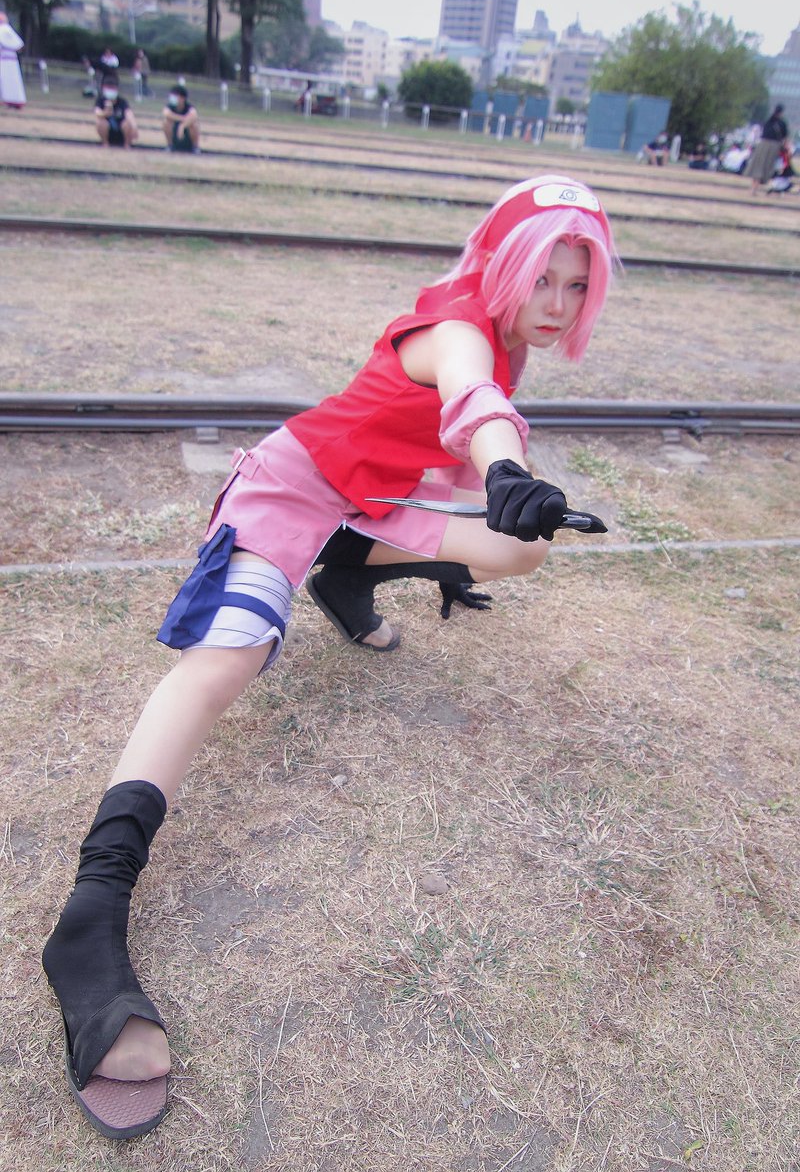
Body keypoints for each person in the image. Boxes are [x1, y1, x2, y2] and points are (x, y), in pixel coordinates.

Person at [41, 175, 618, 1140]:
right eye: (541, 279)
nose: (556, 303)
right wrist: (505, 467)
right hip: (294, 486)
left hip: (366, 501)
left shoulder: (507, 341)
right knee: (223, 666)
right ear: (500, 266)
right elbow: (471, 396)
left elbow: (456, 428)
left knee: (523, 547)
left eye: (576, 285)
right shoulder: (459, 327)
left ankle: (346, 574)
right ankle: (90, 914)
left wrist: (493, 507)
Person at [746, 105, 789, 194]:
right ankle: (755, 188)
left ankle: (754, 188)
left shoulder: (768, 121)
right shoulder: (782, 124)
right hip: (774, 147)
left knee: (758, 166)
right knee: (764, 168)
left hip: (762, 145)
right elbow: (784, 138)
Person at [94, 74, 138, 148]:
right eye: (108, 88)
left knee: (127, 123)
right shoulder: (100, 101)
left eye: (112, 88)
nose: (110, 90)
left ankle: (127, 145)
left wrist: (134, 127)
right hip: (107, 131)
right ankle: (105, 143)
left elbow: (129, 114)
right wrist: (105, 113)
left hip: (121, 131)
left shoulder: (122, 101)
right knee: (100, 122)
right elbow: (97, 113)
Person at [162, 83, 200, 153]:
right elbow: (166, 113)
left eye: (175, 95)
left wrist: (182, 126)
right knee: (166, 122)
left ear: (183, 98)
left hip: (187, 135)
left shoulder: (189, 107)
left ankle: (195, 147)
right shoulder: (170, 106)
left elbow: (194, 116)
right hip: (174, 133)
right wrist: (183, 118)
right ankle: (170, 146)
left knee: (194, 124)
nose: (173, 98)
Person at [0, 11, 26, 110]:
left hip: (5, 58)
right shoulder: (7, 29)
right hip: (10, 58)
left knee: (6, 80)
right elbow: (19, 45)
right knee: (12, 80)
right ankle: (13, 100)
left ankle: (10, 100)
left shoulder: (3, 29)